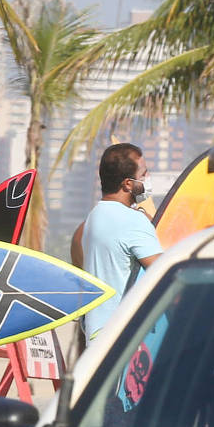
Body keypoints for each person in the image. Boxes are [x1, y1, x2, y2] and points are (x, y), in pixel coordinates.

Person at [79, 143, 163, 337]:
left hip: (97, 331)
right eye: (144, 175)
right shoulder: (133, 220)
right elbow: (164, 272)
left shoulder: (95, 216)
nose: (147, 180)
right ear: (127, 183)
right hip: (121, 335)